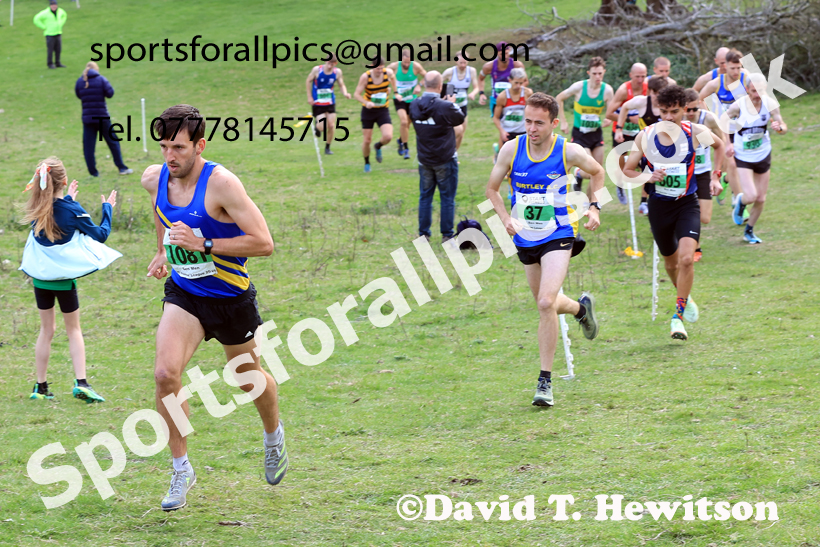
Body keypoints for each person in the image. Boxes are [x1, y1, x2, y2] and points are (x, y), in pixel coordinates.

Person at [141, 104, 284, 511]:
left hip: (231, 297)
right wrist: (161, 251)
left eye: (180, 148)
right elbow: (161, 213)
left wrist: (201, 244)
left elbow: (264, 243)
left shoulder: (222, 184)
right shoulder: (155, 179)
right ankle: (181, 467)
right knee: (166, 374)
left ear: (200, 145)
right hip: (186, 293)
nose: (171, 156)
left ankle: (273, 436)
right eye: (166, 146)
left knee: (248, 379)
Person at [485, 93, 603, 407]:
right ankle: (581, 309)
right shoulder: (512, 149)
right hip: (525, 236)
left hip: (560, 233)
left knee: (545, 301)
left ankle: (545, 382)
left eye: (539, 122)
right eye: (528, 121)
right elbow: (491, 189)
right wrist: (505, 218)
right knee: (546, 305)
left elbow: (598, 172)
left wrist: (594, 207)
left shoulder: (569, 151)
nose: (532, 128)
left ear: (553, 123)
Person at [622, 85, 725, 341]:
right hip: (659, 206)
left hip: (686, 204)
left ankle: (677, 317)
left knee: (687, 259)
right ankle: (685, 297)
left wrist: (716, 177)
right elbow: (627, 170)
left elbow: (720, 147)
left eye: (675, 112)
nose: (668, 117)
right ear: (658, 110)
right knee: (671, 263)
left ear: (685, 110)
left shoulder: (696, 133)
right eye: (664, 111)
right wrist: (647, 175)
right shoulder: (646, 136)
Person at [20, 157, 116, 403]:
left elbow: (57, 211)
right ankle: (81, 382)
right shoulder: (73, 211)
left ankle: (40, 387)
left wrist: (68, 198)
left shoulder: (36, 208)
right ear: (64, 181)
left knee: (46, 330)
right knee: (73, 330)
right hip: (64, 280)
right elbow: (100, 235)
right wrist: (108, 209)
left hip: (40, 280)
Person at [727, 75, 788, 244]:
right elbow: (723, 121)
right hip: (743, 155)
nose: (757, 94)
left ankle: (749, 231)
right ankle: (741, 201)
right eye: (754, 91)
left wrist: (779, 128)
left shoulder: (770, 104)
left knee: (761, 198)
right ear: (747, 90)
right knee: (751, 196)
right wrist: (727, 144)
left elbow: (783, 126)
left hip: (763, 153)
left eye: (761, 90)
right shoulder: (738, 106)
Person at [409, 72, 465, 242]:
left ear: (424, 84)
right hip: (445, 158)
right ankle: (447, 235)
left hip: (424, 158)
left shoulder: (413, 104)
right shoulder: (445, 106)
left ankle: (423, 233)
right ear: (440, 86)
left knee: (425, 196)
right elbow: (460, 118)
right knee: (447, 197)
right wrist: (450, 103)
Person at [556, 56, 614, 192]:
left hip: (596, 134)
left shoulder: (607, 90)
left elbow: (611, 110)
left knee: (597, 172)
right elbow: (559, 98)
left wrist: (609, 119)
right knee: (589, 170)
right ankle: (578, 174)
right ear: (589, 73)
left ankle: (589, 205)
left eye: (600, 73)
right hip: (580, 134)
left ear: (604, 72)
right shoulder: (579, 87)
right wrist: (563, 121)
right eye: (594, 73)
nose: (597, 76)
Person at [684, 88, 729, 261]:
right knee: (690, 212)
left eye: (694, 109)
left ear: (700, 105)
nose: (690, 113)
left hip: (703, 172)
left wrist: (718, 173)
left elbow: (721, 143)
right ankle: (695, 247)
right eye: (687, 109)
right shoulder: (678, 121)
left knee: (705, 218)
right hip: (685, 174)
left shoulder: (708, 118)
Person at [699, 49, 748, 206]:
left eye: (738, 68)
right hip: (724, 129)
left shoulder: (747, 79)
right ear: (725, 66)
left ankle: (726, 180)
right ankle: (739, 202)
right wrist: (709, 116)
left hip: (742, 129)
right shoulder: (715, 83)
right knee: (732, 164)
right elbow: (698, 98)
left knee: (739, 165)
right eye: (732, 68)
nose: (735, 71)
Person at [75, 61, 134, 177]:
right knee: (113, 142)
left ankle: (93, 172)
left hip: (88, 119)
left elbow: (78, 95)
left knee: (89, 146)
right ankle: (121, 167)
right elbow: (110, 93)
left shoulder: (80, 81)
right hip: (102, 117)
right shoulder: (101, 79)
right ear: (96, 69)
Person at [606, 63, 648, 210]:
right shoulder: (624, 90)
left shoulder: (647, 88)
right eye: (637, 76)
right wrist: (629, 119)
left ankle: (644, 201)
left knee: (645, 162)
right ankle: (620, 185)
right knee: (620, 164)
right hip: (621, 130)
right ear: (631, 76)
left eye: (643, 76)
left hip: (639, 132)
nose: (640, 80)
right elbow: (609, 113)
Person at [353, 59, 397, 173]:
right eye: (377, 68)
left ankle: (378, 146)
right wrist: (366, 102)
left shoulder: (388, 73)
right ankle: (367, 162)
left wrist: (395, 92)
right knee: (367, 140)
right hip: (369, 111)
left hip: (383, 109)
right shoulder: (366, 77)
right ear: (372, 66)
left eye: (381, 68)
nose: (380, 71)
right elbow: (356, 94)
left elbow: (393, 79)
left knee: (388, 136)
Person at [305, 54, 351, 155]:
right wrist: (309, 97)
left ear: (336, 63)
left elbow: (341, 84)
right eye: (329, 63)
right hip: (318, 103)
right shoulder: (317, 70)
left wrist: (345, 93)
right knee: (323, 126)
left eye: (333, 64)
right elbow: (308, 81)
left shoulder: (337, 72)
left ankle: (327, 147)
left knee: (331, 125)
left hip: (330, 102)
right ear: (326, 62)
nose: (330, 66)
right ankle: (317, 128)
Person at [388, 49, 426, 159]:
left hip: (412, 99)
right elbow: (384, 74)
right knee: (404, 122)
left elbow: (427, 76)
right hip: (399, 99)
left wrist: (419, 85)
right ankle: (406, 149)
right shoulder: (394, 66)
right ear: (401, 59)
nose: (406, 65)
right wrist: (387, 87)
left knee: (408, 124)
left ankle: (400, 140)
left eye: (408, 62)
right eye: (404, 62)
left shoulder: (416, 66)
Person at [441, 55, 479, 150]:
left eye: (465, 63)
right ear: (456, 62)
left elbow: (476, 87)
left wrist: (473, 93)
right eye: (461, 63)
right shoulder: (449, 72)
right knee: (456, 131)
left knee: (461, 134)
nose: (463, 65)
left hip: (462, 107)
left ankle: (454, 154)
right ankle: (447, 152)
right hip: (450, 107)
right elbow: (437, 84)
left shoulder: (471, 71)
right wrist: (442, 97)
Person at [477, 42, 527, 115]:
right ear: (496, 53)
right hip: (496, 100)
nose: (504, 56)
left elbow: (525, 81)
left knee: (511, 124)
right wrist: (481, 93)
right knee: (499, 123)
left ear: (509, 51)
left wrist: (517, 89)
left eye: (506, 53)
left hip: (513, 100)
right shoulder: (488, 66)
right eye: (501, 54)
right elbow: (481, 79)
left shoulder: (517, 65)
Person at [493, 68, 532, 152]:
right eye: (516, 83)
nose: (518, 86)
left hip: (523, 132)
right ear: (510, 80)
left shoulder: (527, 93)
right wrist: (502, 131)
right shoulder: (502, 97)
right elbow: (496, 117)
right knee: (507, 161)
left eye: (521, 83)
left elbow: (532, 113)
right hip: (508, 133)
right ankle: (497, 151)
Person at [33, 0, 67, 69]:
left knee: (58, 49)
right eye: (52, 5)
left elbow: (64, 15)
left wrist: (61, 24)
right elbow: (36, 19)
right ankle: (50, 63)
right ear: (50, 6)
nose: (54, 6)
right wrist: (43, 27)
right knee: (50, 50)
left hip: (58, 33)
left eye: (55, 5)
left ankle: (57, 62)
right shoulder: (45, 13)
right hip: (50, 34)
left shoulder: (60, 11)